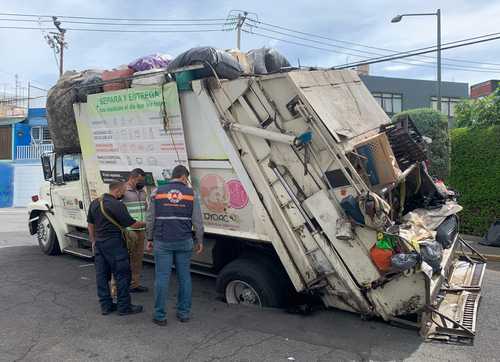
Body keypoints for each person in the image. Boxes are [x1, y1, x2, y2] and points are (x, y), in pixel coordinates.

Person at [146, 165, 204, 326]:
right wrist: (199, 240)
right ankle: (183, 313)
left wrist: (149, 238)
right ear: (184, 177)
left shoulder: (157, 192)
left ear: (173, 176)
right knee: (184, 277)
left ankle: (160, 316)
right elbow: (198, 221)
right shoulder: (192, 194)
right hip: (184, 241)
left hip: (162, 241)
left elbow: (150, 217)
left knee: (162, 278)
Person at [87, 181, 145, 316]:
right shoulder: (117, 205)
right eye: (123, 191)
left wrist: (93, 240)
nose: (124, 194)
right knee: (122, 275)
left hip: (99, 245)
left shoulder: (95, 202)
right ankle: (124, 307)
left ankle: (106, 306)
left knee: (102, 276)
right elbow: (133, 224)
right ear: (118, 190)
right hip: (115, 245)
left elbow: (90, 224)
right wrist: (147, 223)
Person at [122, 168, 148, 293]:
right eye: (140, 180)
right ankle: (118, 288)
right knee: (123, 259)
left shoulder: (142, 191)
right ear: (132, 178)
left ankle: (134, 284)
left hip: (141, 229)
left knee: (137, 259)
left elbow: (145, 208)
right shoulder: (123, 191)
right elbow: (118, 210)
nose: (142, 182)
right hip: (128, 230)